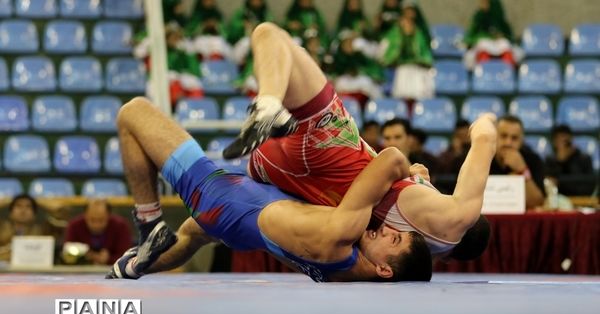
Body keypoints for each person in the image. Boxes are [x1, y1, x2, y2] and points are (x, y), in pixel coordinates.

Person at [222, 23, 492, 262]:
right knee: (292, 58)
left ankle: (268, 106)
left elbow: (484, 140)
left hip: (335, 152)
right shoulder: (407, 249)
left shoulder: (455, 219)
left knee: (269, 35)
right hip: (296, 181)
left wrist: (485, 121)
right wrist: (416, 181)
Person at [108, 96, 432, 282]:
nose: (390, 229)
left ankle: (149, 223)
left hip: (225, 200)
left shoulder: (341, 234)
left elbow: (390, 159)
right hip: (248, 219)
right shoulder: (347, 272)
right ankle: (130, 268)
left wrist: (414, 180)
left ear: (384, 269)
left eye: (396, 239)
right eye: (398, 232)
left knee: (133, 113)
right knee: (193, 235)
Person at [491, 115, 546, 209]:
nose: (508, 143)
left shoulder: (533, 160)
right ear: (495, 137)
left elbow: (537, 202)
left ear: (521, 141)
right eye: (503, 136)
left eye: (514, 138)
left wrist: (523, 170)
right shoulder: (482, 159)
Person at [64, 199, 133, 265]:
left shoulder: (121, 226)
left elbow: (127, 257)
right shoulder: (74, 225)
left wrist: (109, 259)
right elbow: (67, 254)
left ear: (109, 216)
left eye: (101, 220)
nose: (96, 225)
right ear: (85, 215)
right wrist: (84, 257)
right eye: (92, 220)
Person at [545, 124, 595, 196]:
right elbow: (550, 185)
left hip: (581, 199)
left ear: (571, 139)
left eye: (565, 141)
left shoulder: (584, 159)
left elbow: (587, 184)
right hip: (556, 200)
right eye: (558, 140)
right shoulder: (550, 160)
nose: (562, 144)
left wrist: (569, 157)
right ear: (554, 142)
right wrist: (560, 161)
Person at [0, 194, 44, 262]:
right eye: (18, 206)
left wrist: (41, 202)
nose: (23, 210)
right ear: (10, 212)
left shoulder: (43, 230)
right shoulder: (2, 227)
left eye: (28, 207)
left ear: (34, 214)